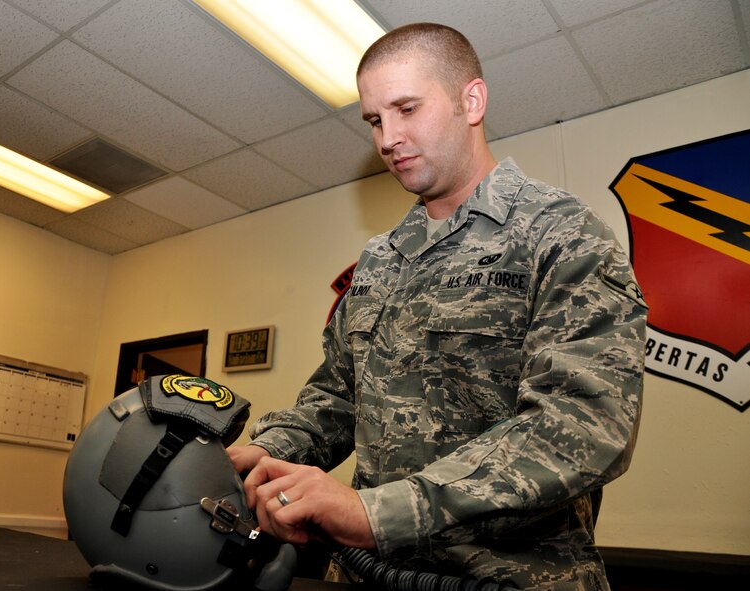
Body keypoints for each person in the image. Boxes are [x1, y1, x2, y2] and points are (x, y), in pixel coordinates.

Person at [229, 22, 647, 591]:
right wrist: (259, 454)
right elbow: (336, 398)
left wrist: (375, 514)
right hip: (362, 572)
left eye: (406, 108)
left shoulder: (561, 233)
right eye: (375, 120)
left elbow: (585, 422)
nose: (387, 138)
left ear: (470, 101)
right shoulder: (380, 259)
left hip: (508, 578)